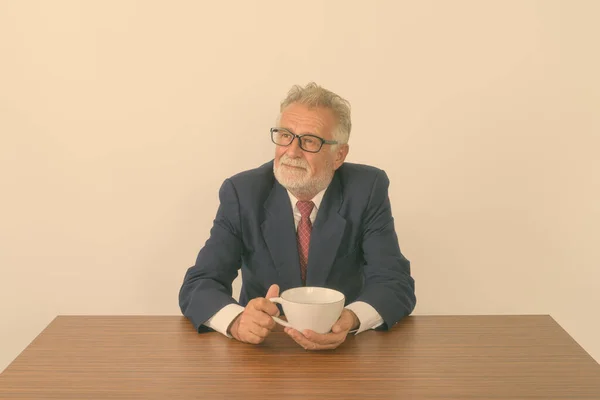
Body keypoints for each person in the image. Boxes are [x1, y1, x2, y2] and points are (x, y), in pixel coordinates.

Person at [179, 82, 416, 350]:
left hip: (346, 351)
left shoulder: (367, 189)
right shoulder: (242, 193)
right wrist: (236, 322)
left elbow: (395, 283)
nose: (291, 151)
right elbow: (200, 284)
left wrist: (349, 320)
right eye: (285, 136)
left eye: (310, 141)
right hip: (266, 352)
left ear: (339, 155)